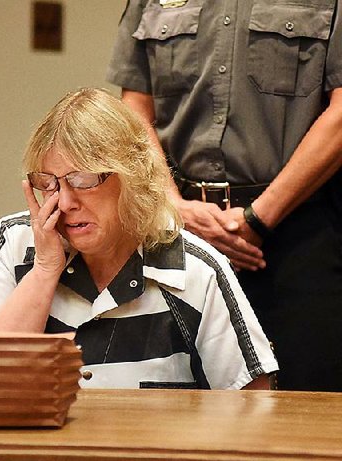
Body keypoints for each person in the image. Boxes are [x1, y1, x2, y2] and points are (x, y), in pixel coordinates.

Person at [0, 88, 277, 390]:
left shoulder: (194, 268)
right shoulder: (14, 241)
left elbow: (251, 402)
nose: (65, 203)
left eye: (82, 180)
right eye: (49, 183)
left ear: (132, 176)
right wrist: (43, 269)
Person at [106, 0, 342, 391]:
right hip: (176, 231)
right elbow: (134, 104)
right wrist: (173, 207)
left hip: (299, 234)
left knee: (303, 409)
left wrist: (256, 218)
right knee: (176, 407)